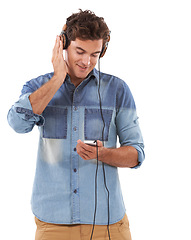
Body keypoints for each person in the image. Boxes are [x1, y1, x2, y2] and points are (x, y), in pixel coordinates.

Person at [7, 9, 145, 240]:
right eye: (79, 51)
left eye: (95, 54)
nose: (86, 61)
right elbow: (17, 123)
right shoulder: (38, 87)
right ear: (63, 46)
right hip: (53, 222)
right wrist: (57, 79)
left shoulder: (118, 90)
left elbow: (137, 154)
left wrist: (104, 154)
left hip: (107, 222)